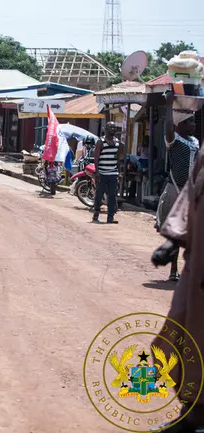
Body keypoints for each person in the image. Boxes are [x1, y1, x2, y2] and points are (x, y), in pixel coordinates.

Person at [149, 128, 204, 433]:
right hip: (196, 266)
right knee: (180, 330)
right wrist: (172, 241)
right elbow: (189, 195)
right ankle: (193, 411)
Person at [155, 91, 200, 281]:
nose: (194, 124)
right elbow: (168, 127)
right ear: (179, 124)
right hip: (175, 189)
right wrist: (169, 105)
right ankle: (173, 270)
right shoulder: (172, 140)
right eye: (190, 121)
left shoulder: (194, 142)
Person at [92, 121, 124, 224]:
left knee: (112, 196)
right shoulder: (100, 142)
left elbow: (118, 158)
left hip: (113, 173)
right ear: (106, 129)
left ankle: (110, 218)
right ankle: (96, 213)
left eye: (114, 128)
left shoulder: (117, 142)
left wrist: (119, 172)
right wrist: (96, 172)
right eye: (111, 127)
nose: (113, 129)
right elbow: (96, 158)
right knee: (99, 195)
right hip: (102, 173)